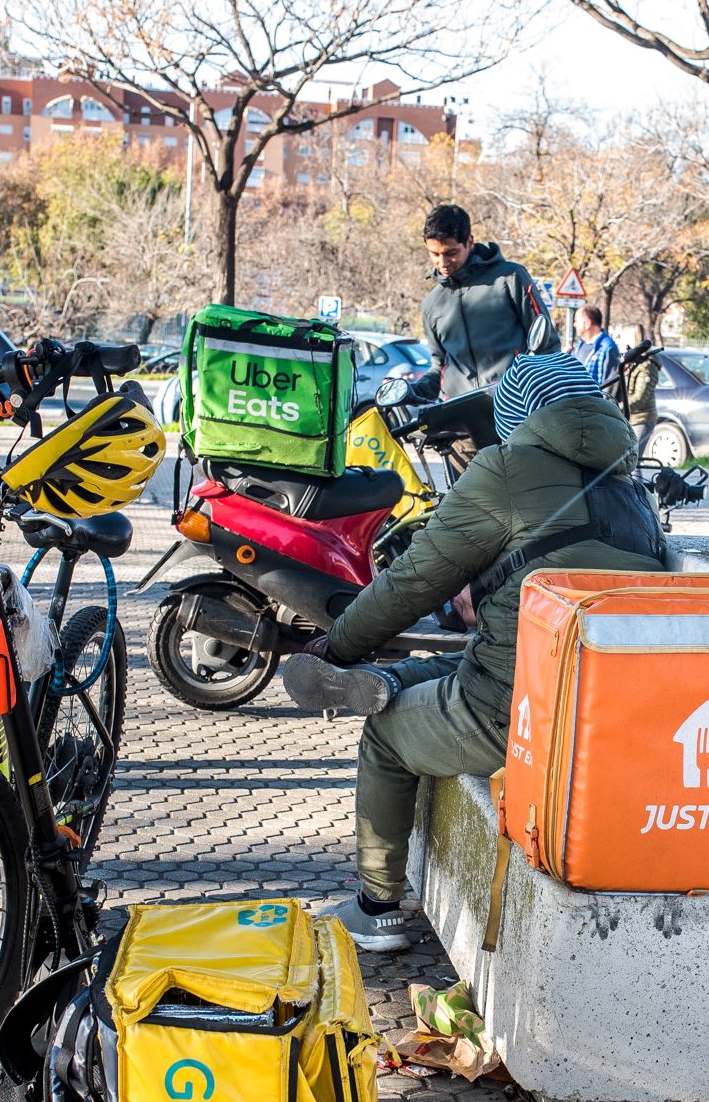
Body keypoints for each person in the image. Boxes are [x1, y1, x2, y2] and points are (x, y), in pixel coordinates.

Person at [281, 352, 668, 950]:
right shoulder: (631, 487)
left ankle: (376, 908)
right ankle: (392, 682)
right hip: (606, 705)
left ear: (518, 415)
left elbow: (415, 579)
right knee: (444, 670)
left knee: (385, 735)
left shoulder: (507, 469)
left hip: (517, 712)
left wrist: (339, 644)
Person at [419, 203, 557, 399]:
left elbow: (547, 344)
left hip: (515, 407)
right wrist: (411, 390)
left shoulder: (511, 277)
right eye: (435, 254)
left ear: (469, 242)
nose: (443, 263)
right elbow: (439, 366)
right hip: (459, 415)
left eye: (451, 253)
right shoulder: (431, 304)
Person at [571, 305, 621, 394]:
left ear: (587, 324)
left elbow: (609, 387)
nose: (574, 325)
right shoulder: (580, 345)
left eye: (576, 321)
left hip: (594, 406)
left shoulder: (608, 348)